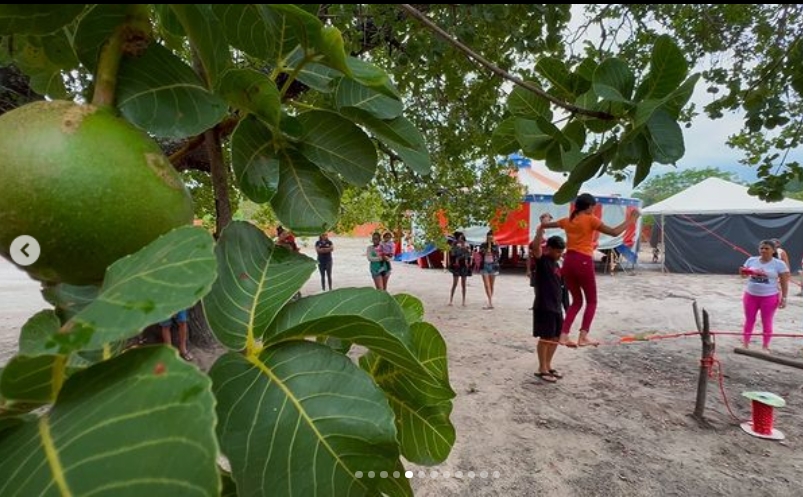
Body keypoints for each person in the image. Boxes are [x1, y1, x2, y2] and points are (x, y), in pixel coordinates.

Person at [541, 193, 640, 347]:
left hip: (568, 262)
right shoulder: (590, 219)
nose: (594, 210)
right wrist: (631, 220)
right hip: (583, 261)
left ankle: (563, 335)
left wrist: (545, 219)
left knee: (576, 302)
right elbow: (614, 232)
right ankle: (583, 337)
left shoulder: (567, 220)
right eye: (593, 207)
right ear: (588, 207)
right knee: (592, 301)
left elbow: (545, 225)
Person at [530, 225, 567, 383]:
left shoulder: (557, 265)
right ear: (549, 249)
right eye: (557, 252)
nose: (559, 255)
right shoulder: (542, 261)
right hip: (544, 306)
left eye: (561, 252)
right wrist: (541, 229)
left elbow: (563, 287)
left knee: (556, 337)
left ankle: (548, 365)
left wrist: (566, 307)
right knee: (545, 337)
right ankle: (542, 368)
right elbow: (535, 247)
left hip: (557, 307)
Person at [740, 239, 789, 352]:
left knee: (766, 321)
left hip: (769, 296)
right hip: (750, 295)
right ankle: (745, 343)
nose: (763, 250)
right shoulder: (751, 260)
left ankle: (765, 346)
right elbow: (744, 276)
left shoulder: (779, 264)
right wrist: (742, 272)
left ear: (773, 250)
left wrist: (784, 298)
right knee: (749, 320)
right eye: (761, 248)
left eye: (767, 248)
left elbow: (784, 282)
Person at [527, 213, 554, 309]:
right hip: (535, 267)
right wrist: (528, 269)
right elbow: (529, 257)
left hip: (545, 267)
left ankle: (544, 303)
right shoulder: (532, 243)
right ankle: (537, 303)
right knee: (536, 286)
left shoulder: (547, 242)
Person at [448, 232, 472, 306]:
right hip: (457, 266)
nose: (460, 239)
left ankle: (463, 301)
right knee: (455, 283)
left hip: (464, 265)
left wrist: (466, 250)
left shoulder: (467, 245)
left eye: (462, 238)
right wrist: (458, 248)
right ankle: (451, 300)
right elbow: (453, 253)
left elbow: (469, 255)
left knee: (463, 284)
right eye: (460, 237)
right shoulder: (455, 245)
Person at [478, 230, 500, 309]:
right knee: (487, 285)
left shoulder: (496, 245)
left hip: (493, 266)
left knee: (491, 285)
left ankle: (490, 300)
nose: (490, 238)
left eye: (491, 237)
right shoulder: (483, 245)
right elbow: (481, 252)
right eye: (488, 237)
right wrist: (487, 248)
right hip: (484, 266)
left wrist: (492, 246)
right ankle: (490, 302)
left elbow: (497, 254)